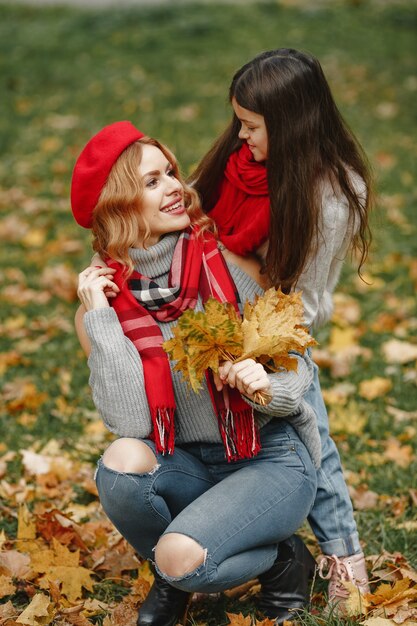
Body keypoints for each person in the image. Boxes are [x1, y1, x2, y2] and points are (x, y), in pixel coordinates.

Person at [71, 121, 321, 626]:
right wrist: (100, 315)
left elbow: (302, 367)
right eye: (151, 182)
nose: (175, 189)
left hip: (268, 458)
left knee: (180, 558)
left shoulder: (226, 262)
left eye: (171, 173)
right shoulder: (102, 307)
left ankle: (281, 561)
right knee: (120, 462)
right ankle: (185, 568)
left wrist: (266, 387)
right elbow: (132, 422)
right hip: (191, 465)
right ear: (119, 205)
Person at [190, 47, 373, 613]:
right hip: (210, 318)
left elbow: (305, 306)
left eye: (251, 126)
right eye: (238, 122)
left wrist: (230, 267)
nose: (240, 137)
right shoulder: (239, 161)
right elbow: (193, 208)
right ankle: (226, 534)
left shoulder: (334, 195)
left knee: (307, 431)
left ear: (291, 123)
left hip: (278, 329)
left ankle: (346, 561)